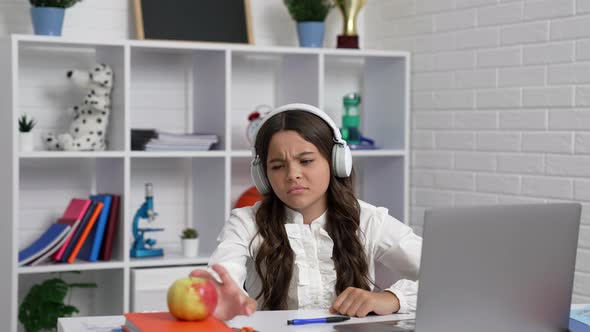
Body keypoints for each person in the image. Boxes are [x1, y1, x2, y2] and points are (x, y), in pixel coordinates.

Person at [191, 103, 422, 321]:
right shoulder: (245, 223)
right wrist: (218, 294)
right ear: (263, 176)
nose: (293, 174)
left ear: (335, 162)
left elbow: (445, 273)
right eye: (278, 166)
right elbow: (224, 274)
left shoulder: (370, 220)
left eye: (306, 161)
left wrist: (392, 299)